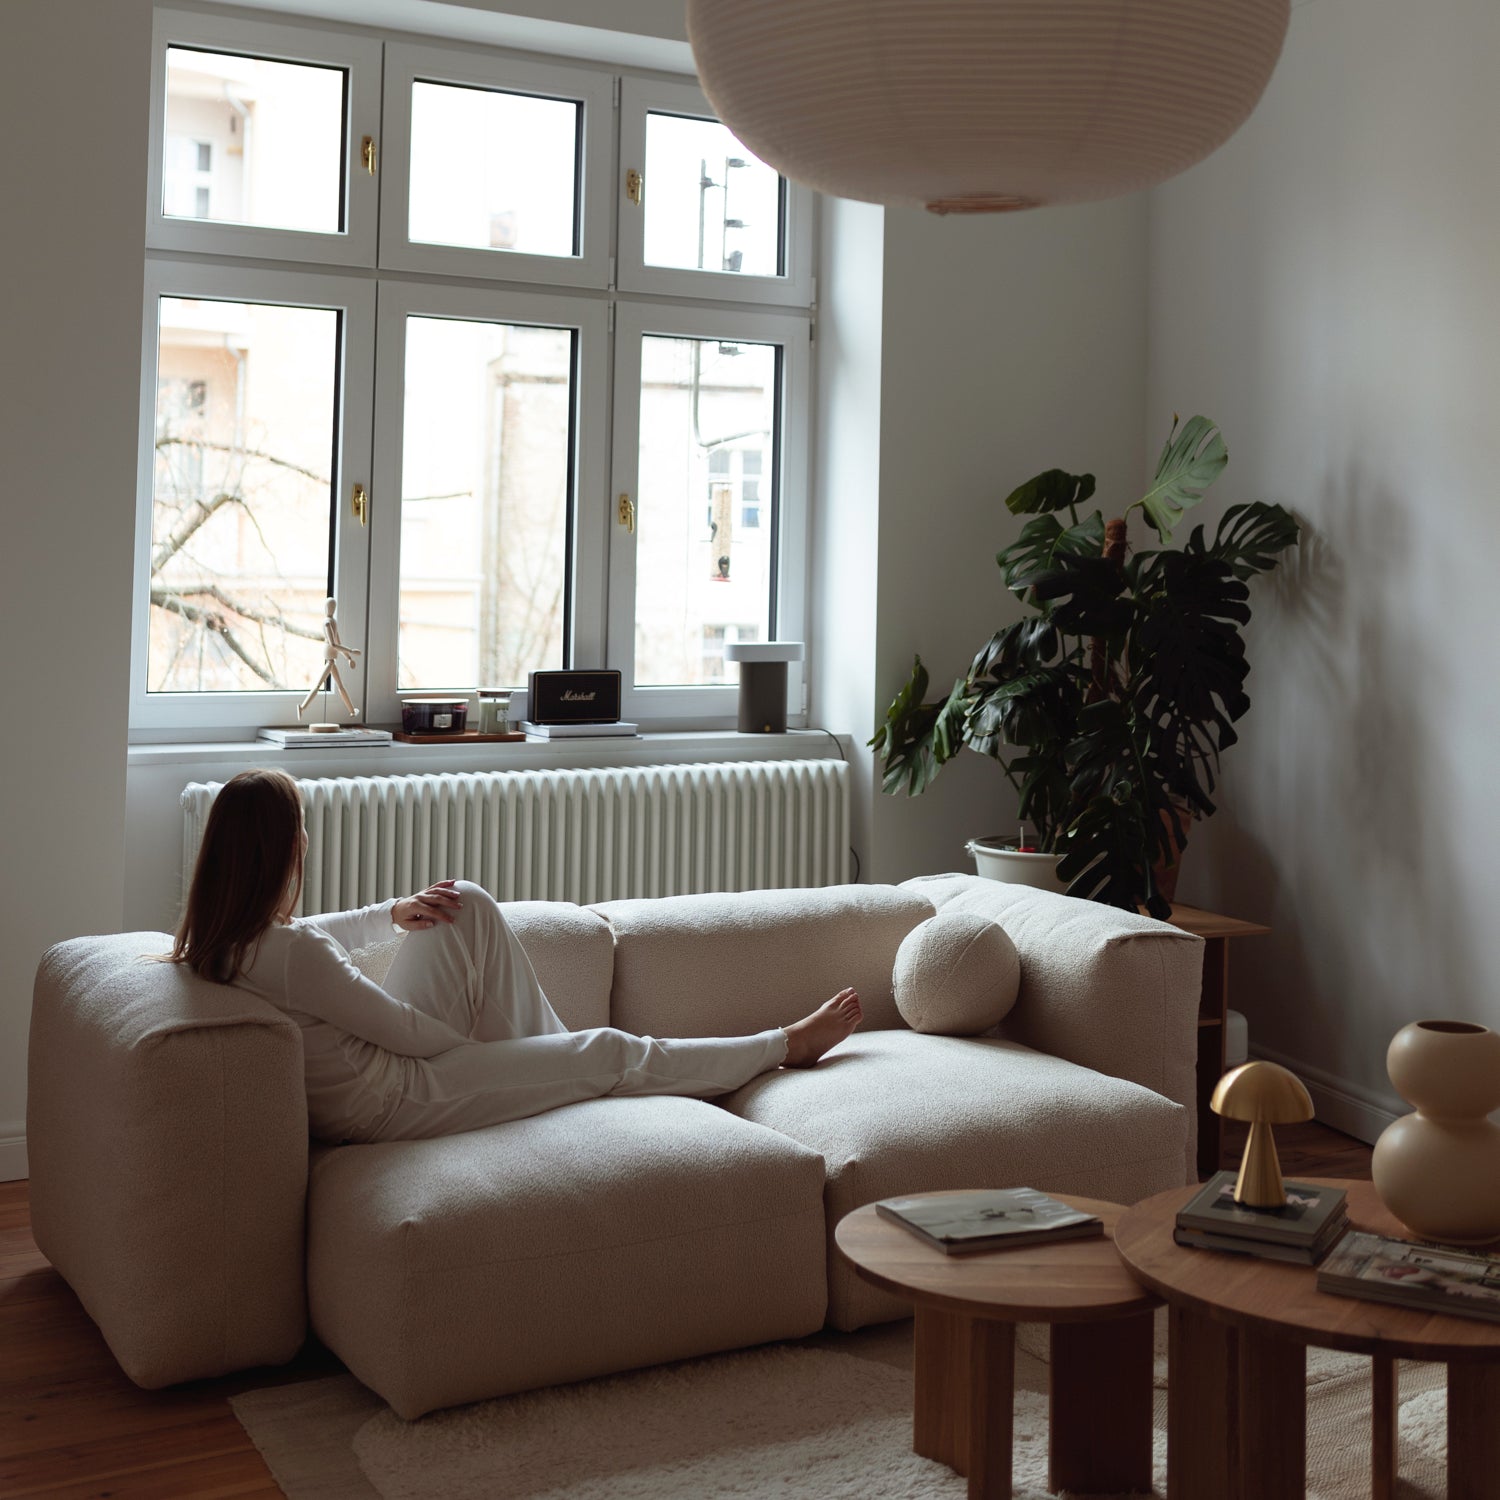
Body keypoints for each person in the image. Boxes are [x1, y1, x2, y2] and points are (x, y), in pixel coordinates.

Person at [167, 768, 862, 1144]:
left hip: (379, 1076)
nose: (307, 844)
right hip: (393, 1097)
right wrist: (468, 1046)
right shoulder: (293, 952)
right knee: (608, 1050)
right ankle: (780, 1045)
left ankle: (559, 1066)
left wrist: (391, 913)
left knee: (459, 899)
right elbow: (405, 1033)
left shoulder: (227, 938)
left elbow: (316, 940)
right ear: (280, 851)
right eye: (302, 831)